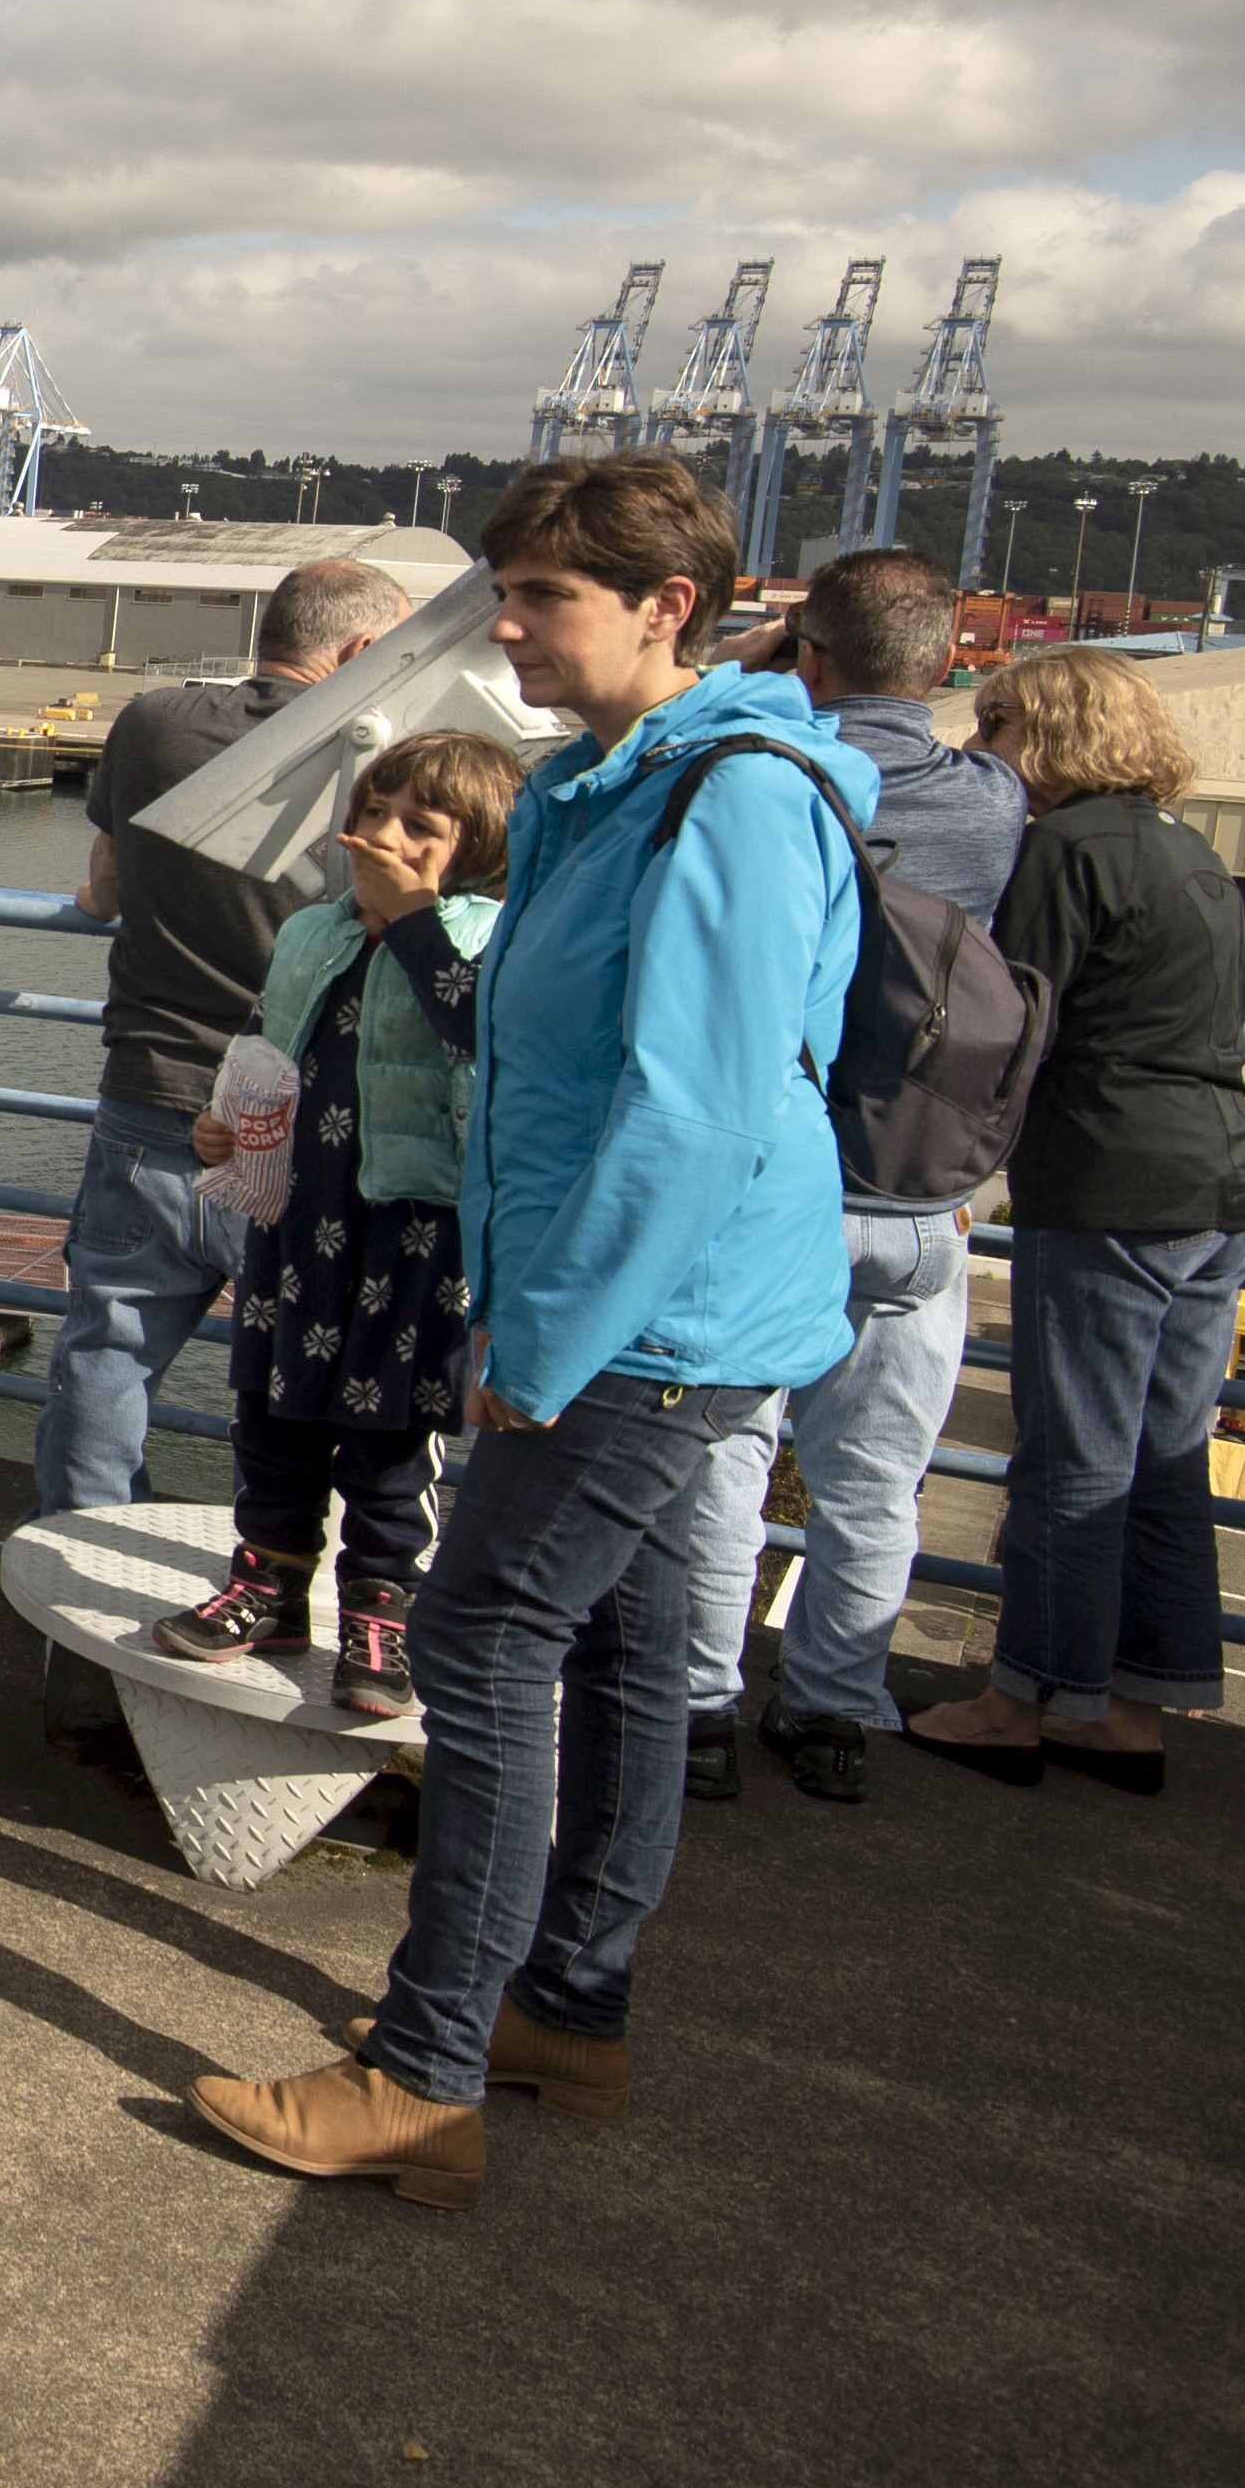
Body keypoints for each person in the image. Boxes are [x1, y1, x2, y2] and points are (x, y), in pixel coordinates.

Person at [192, 454, 869, 2210]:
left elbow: (692, 1107)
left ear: (666, 605)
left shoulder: (721, 797)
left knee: (482, 1647)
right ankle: (565, 2003)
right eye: (503, 586)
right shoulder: (601, 783)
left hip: (647, 1313)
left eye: (542, 594)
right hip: (660, 1301)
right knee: (631, 1649)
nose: (502, 624)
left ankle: (419, 2073)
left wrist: (543, 1335)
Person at [663, 548, 1033, 1804]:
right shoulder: (986, 801)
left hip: (779, 1184)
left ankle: (698, 1706)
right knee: (874, 1482)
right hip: (921, 1191)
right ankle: (829, 1711)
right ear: (942, 665)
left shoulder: (770, 779)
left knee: (725, 1462)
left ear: (806, 651)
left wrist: (760, 662)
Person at [908, 647, 1245, 1799]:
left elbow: (1011, 1013)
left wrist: (957, 1163)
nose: (980, 746)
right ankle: (1131, 1701)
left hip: (1113, 1181)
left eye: (998, 721)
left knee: (1072, 1449)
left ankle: (1024, 1695)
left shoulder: (1063, 849)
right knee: (1163, 1454)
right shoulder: (1186, 848)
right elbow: (1242, 1005)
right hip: (1221, 1179)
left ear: (1046, 731)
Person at [145, 733, 519, 1718]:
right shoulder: (315, 929)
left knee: (392, 1429)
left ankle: (381, 1613)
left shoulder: (487, 936)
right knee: (273, 1407)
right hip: (299, 1211)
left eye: (419, 827)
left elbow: (489, 1040)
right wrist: (225, 1123)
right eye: (375, 811)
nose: (382, 837)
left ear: (475, 847)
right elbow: (266, 1041)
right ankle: (267, 1584)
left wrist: (415, 920)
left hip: (415, 1227)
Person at [33, 557, 414, 1519]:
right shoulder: (384, 771)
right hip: (308, 1121)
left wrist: (94, 900)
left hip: (148, 1094)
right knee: (301, 1375)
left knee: (108, 1352)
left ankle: (79, 1558)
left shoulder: (153, 722)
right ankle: (269, 1574)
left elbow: (107, 878)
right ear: (364, 652)